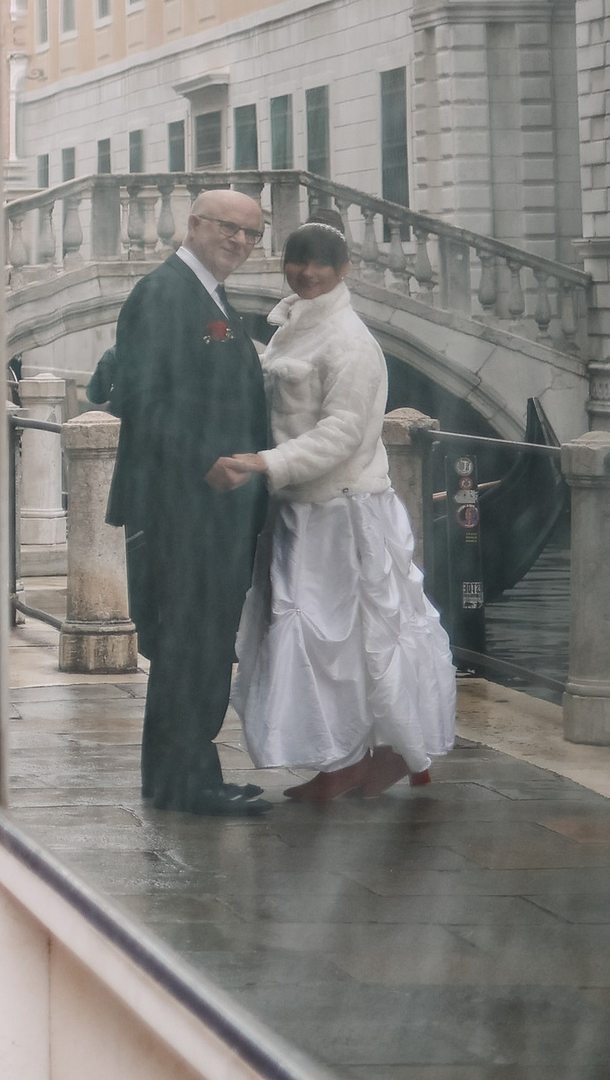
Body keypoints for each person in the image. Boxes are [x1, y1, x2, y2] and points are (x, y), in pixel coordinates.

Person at [217, 222, 456, 799]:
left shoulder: (350, 341)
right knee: (320, 637)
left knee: (346, 639)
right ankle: (349, 758)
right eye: (297, 260)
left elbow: (344, 433)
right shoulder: (292, 325)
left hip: (341, 512)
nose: (305, 271)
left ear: (344, 269)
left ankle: (364, 757)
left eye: (320, 262)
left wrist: (265, 462)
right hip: (299, 509)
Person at [102, 189, 276, 817]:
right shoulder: (166, 292)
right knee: (191, 640)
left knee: (197, 640)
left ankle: (178, 775)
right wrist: (207, 461)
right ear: (195, 224)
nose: (240, 242)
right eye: (229, 228)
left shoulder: (204, 293)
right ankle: (187, 782)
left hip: (210, 504)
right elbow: (145, 398)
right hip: (185, 504)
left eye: (252, 234)